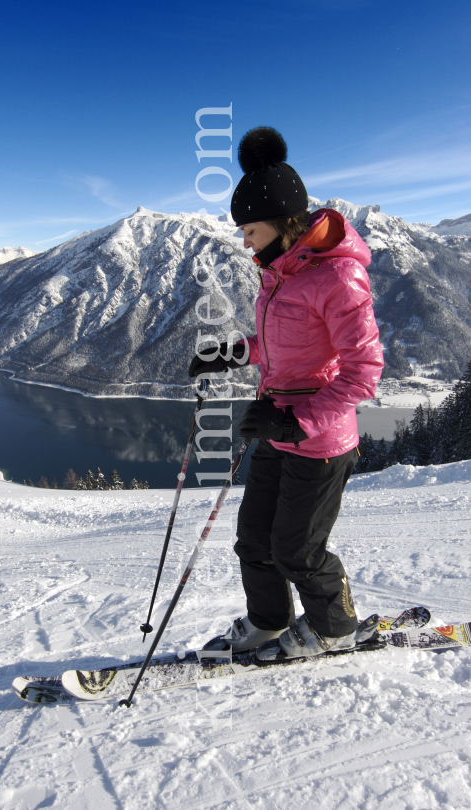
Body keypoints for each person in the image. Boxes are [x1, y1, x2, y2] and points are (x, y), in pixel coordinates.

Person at [189, 127, 384, 661]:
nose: (244, 242)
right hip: (277, 426)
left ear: (279, 223)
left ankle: (335, 627)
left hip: (319, 444)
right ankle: (269, 621)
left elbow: (364, 371)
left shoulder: (337, 278)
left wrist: (297, 423)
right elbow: (282, 348)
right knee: (254, 541)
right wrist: (232, 353)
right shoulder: (280, 274)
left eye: (249, 230)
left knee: (297, 550)